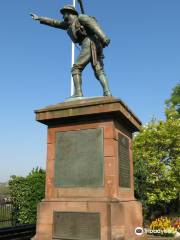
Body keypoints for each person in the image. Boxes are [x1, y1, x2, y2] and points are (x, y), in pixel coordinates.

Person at [31, 5, 112, 98]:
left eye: (63, 14)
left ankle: (78, 93)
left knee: (76, 68)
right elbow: (54, 23)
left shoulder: (81, 17)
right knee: (98, 69)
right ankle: (107, 92)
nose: (62, 17)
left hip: (89, 41)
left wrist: (104, 37)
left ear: (68, 13)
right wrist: (39, 18)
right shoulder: (69, 24)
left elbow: (93, 25)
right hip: (94, 43)